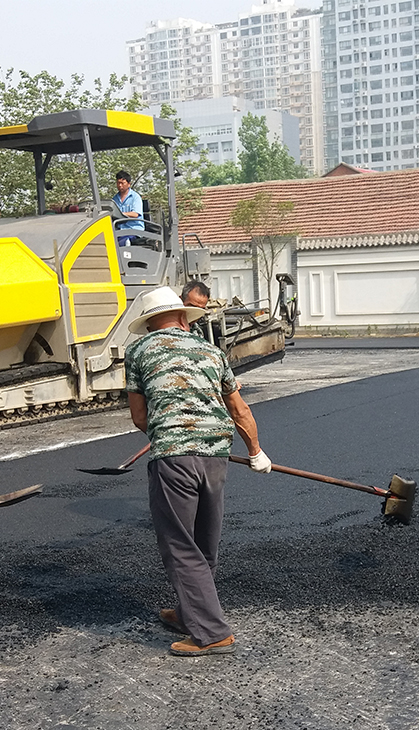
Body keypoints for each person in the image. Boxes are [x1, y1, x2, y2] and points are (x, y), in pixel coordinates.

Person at [125, 286, 273, 656]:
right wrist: (256, 452)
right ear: (181, 318)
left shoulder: (139, 350)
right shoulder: (211, 351)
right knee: (203, 540)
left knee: (179, 544)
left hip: (174, 458)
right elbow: (239, 409)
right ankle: (191, 611)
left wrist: (168, 431)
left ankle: (212, 633)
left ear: (148, 324)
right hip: (217, 455)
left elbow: (139, 415)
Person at [112, 170, 144, 245]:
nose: (120, 185)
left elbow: (135, 214)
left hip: (133, 230)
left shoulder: (135, 197)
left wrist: (120, 214)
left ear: (129, 184)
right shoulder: (114, 199)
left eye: (122, 183)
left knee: (122, 242)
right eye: (118, 183)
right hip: (119, 230)